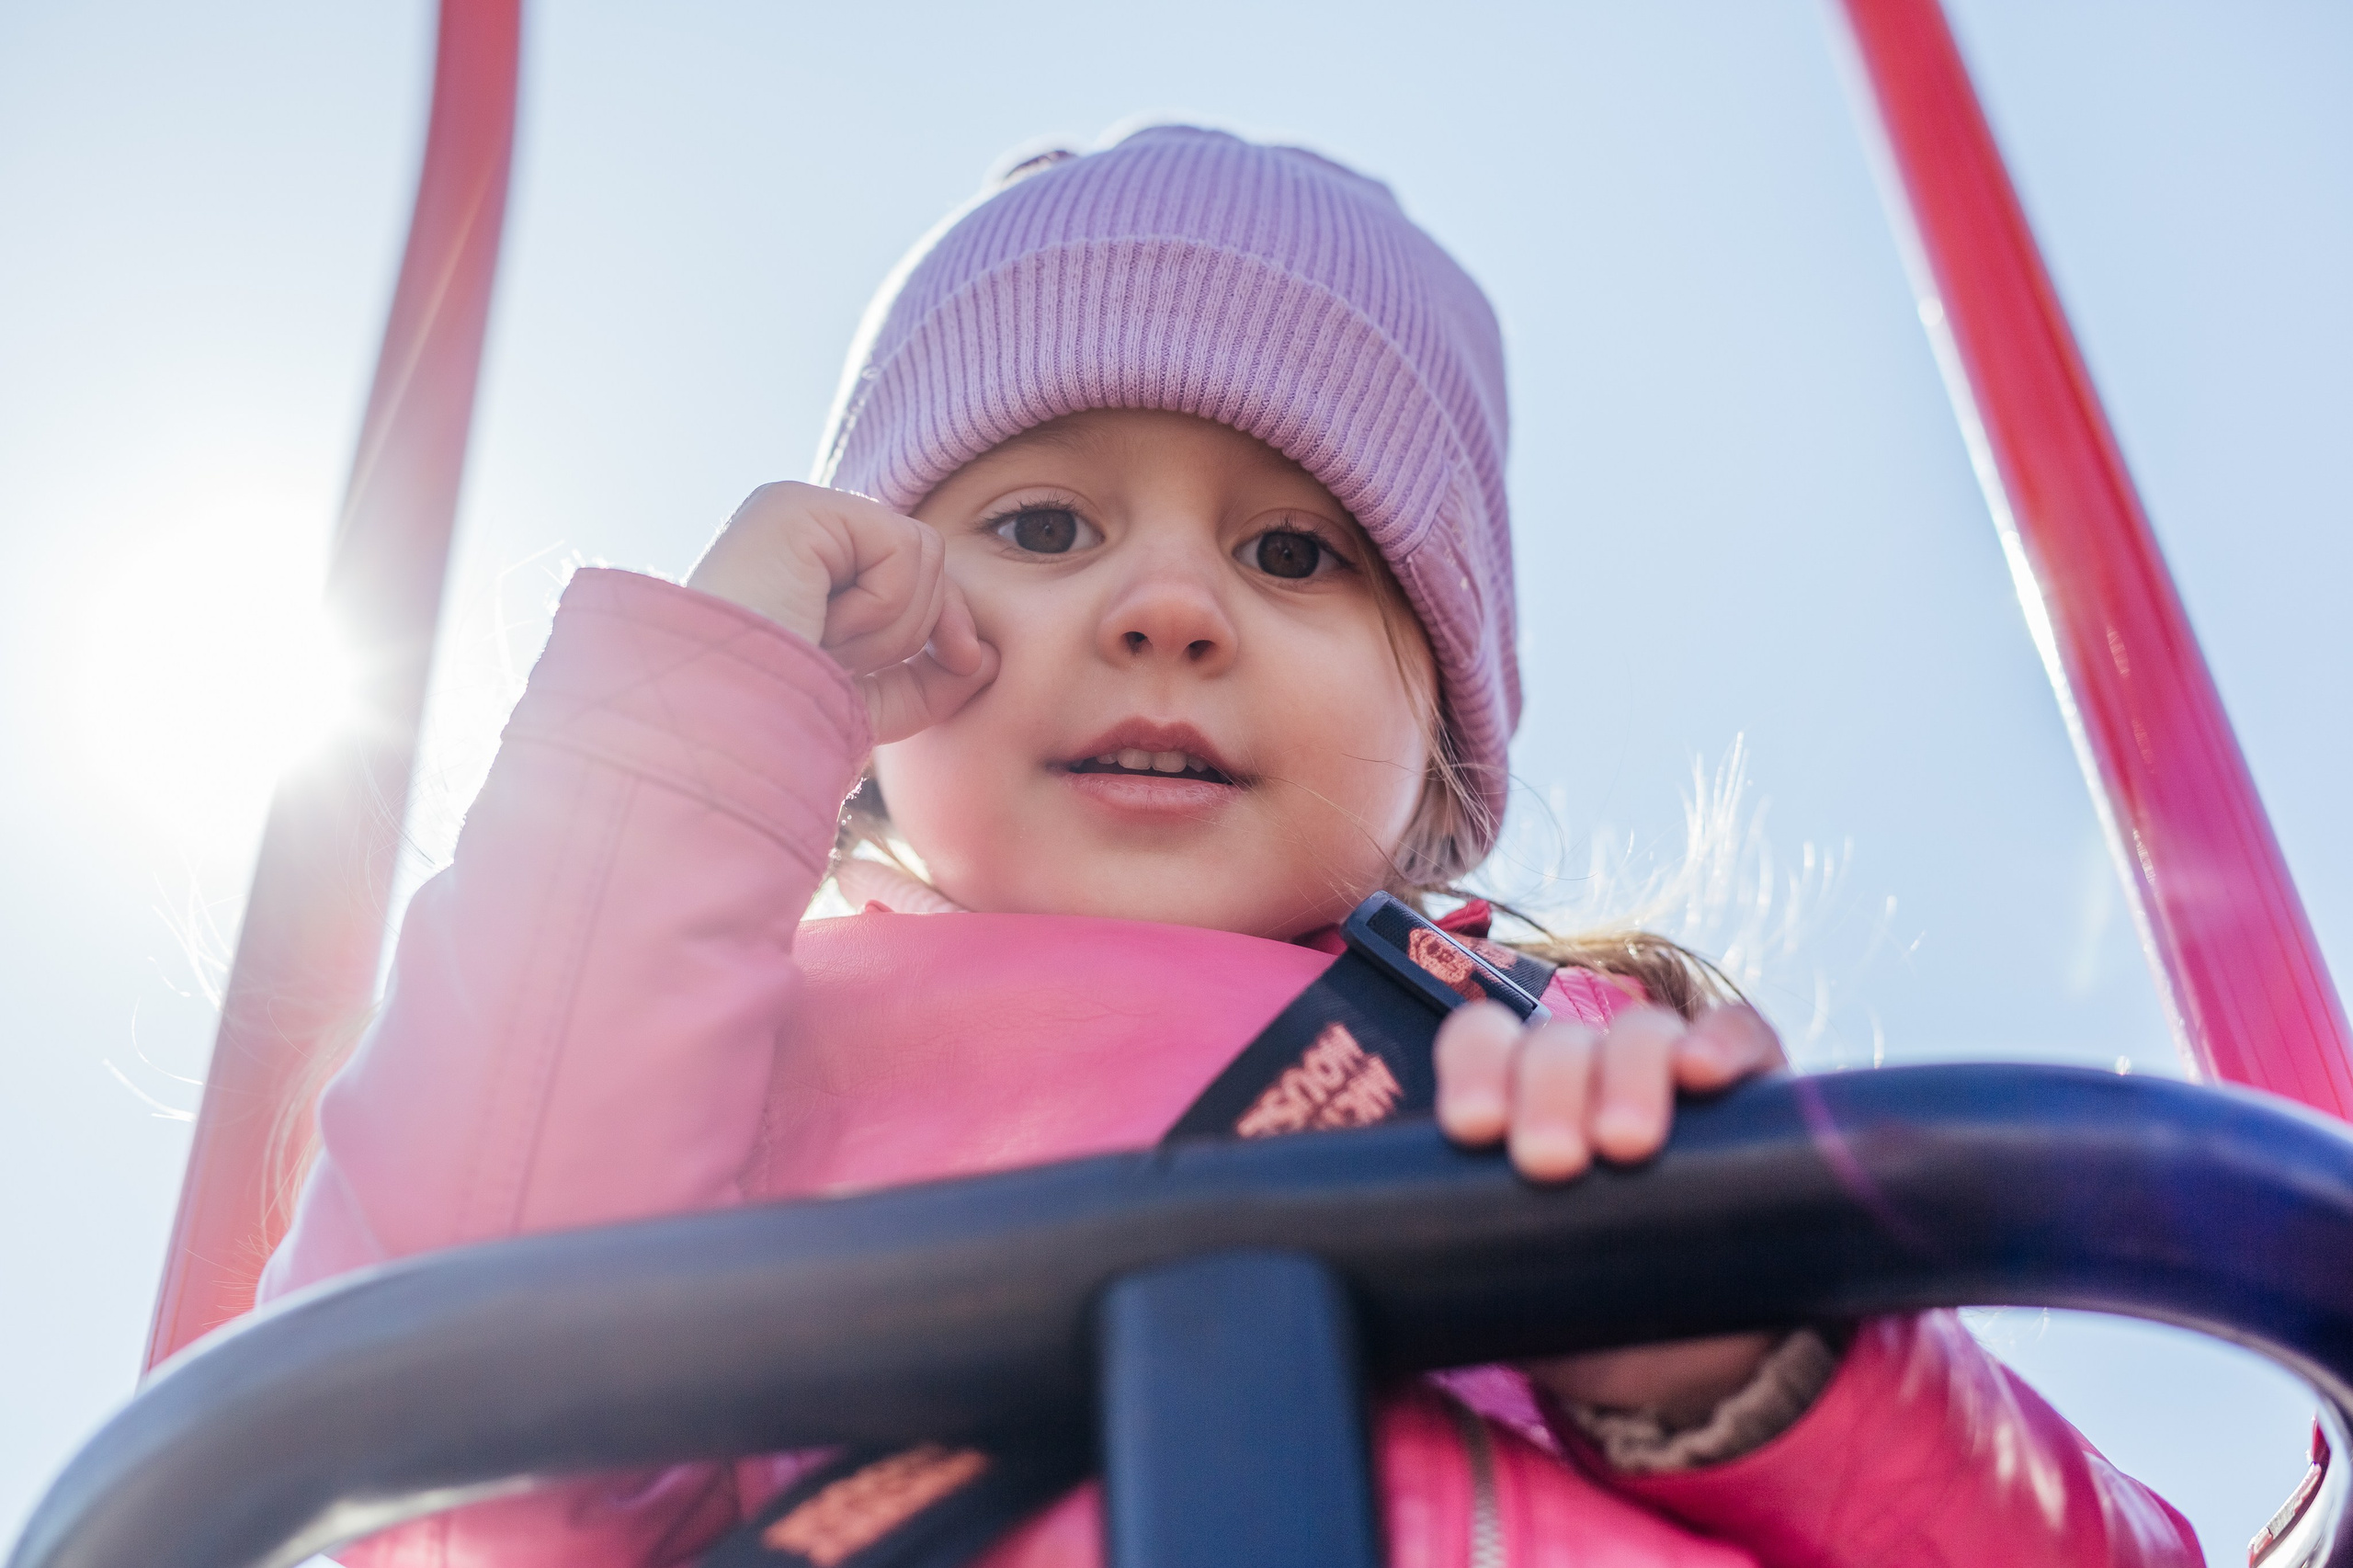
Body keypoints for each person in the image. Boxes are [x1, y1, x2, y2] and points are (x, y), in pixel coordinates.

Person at [259, 126, 2200, 1567]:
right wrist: (695, 735)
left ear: (1435, 738)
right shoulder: (689, 1044)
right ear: (870, 664)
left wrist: (1733, 1355)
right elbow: (424, 1434)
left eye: (1293, 553)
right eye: (1037, 527)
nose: (1166, 604)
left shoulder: (1564, 1077)